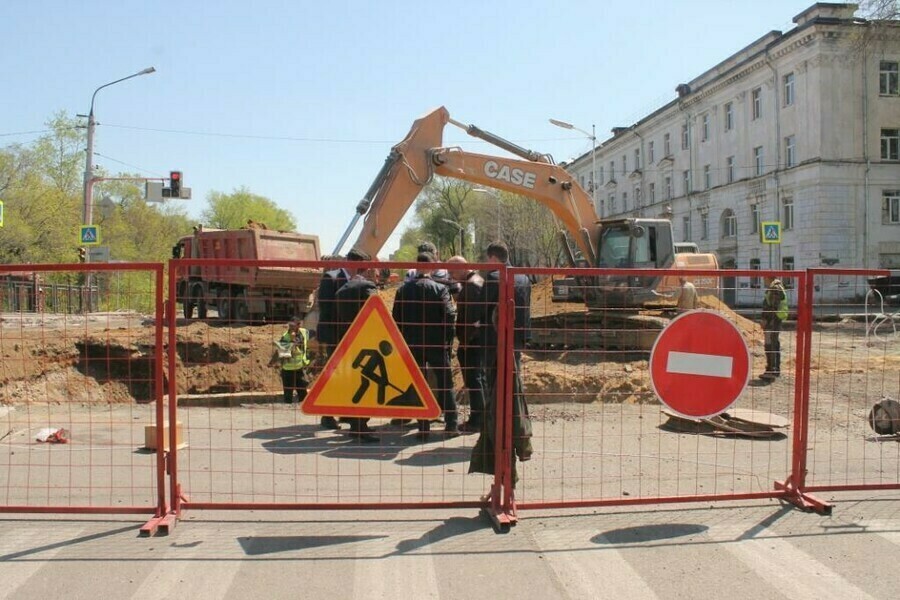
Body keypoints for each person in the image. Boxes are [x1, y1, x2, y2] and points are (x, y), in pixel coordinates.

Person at [470, 241, 533, 481]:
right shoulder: (523, 278)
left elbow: (481, 311)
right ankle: (511, 434)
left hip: (494, 344)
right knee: (513, 387)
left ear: (492, 257)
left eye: (487, 259)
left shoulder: (494, 278)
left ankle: (501, 435)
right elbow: (526, 311)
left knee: (497, 391)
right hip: (515, 342)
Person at [392, 251, 459, 437]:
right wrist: (447, 341)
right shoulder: (440, 289)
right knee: (446, 383)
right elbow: (449, 315)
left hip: (412, 344)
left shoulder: (403, 290)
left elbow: (395, 318)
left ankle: (423, 427)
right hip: (436, 344)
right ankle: (452, 424)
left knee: (419, 384)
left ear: (416, 266)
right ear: (431, 267)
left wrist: (404, 339)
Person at [335, 260, 379, 443]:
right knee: (366, 384)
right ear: (367, 272)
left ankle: (354, 423)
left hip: (347, 340)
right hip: (366, 341)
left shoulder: (342, 290)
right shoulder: (367, 286)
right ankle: (361, 425)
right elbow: (376, 311)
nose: (377, 278)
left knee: (353, 382)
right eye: (376, 274)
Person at [447, 256, 486, 433]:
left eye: (452, 271)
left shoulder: (472, 286)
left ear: (463, 268)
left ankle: (478, 419)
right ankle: (480, 417)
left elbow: (473, 319)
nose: (451, 276)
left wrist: (466, 342)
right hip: (475, 341)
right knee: (477, 380)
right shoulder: (475, 282)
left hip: (473, 342)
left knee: (474, 380)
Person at [274, 318, 311, 404]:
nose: (290, 328)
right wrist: (291, 342)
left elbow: (307, 343)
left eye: (293, 326)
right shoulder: (286, 336)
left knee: (303, 395)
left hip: (299, 369)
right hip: (288, 370)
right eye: (290, 326)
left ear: (299, 325)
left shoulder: (304, 332)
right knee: (288, 396)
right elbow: (283, 355)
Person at [761, 275, 787, 379]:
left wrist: (766, 320)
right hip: (774, 320)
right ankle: (773, 369)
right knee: (773, 343)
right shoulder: (775, 286)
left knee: (771, 344)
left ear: (768, 278)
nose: (764, 281)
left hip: (773, 320)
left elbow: (772, 307)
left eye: (764, 278)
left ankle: (772, 369)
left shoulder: (775, 288)